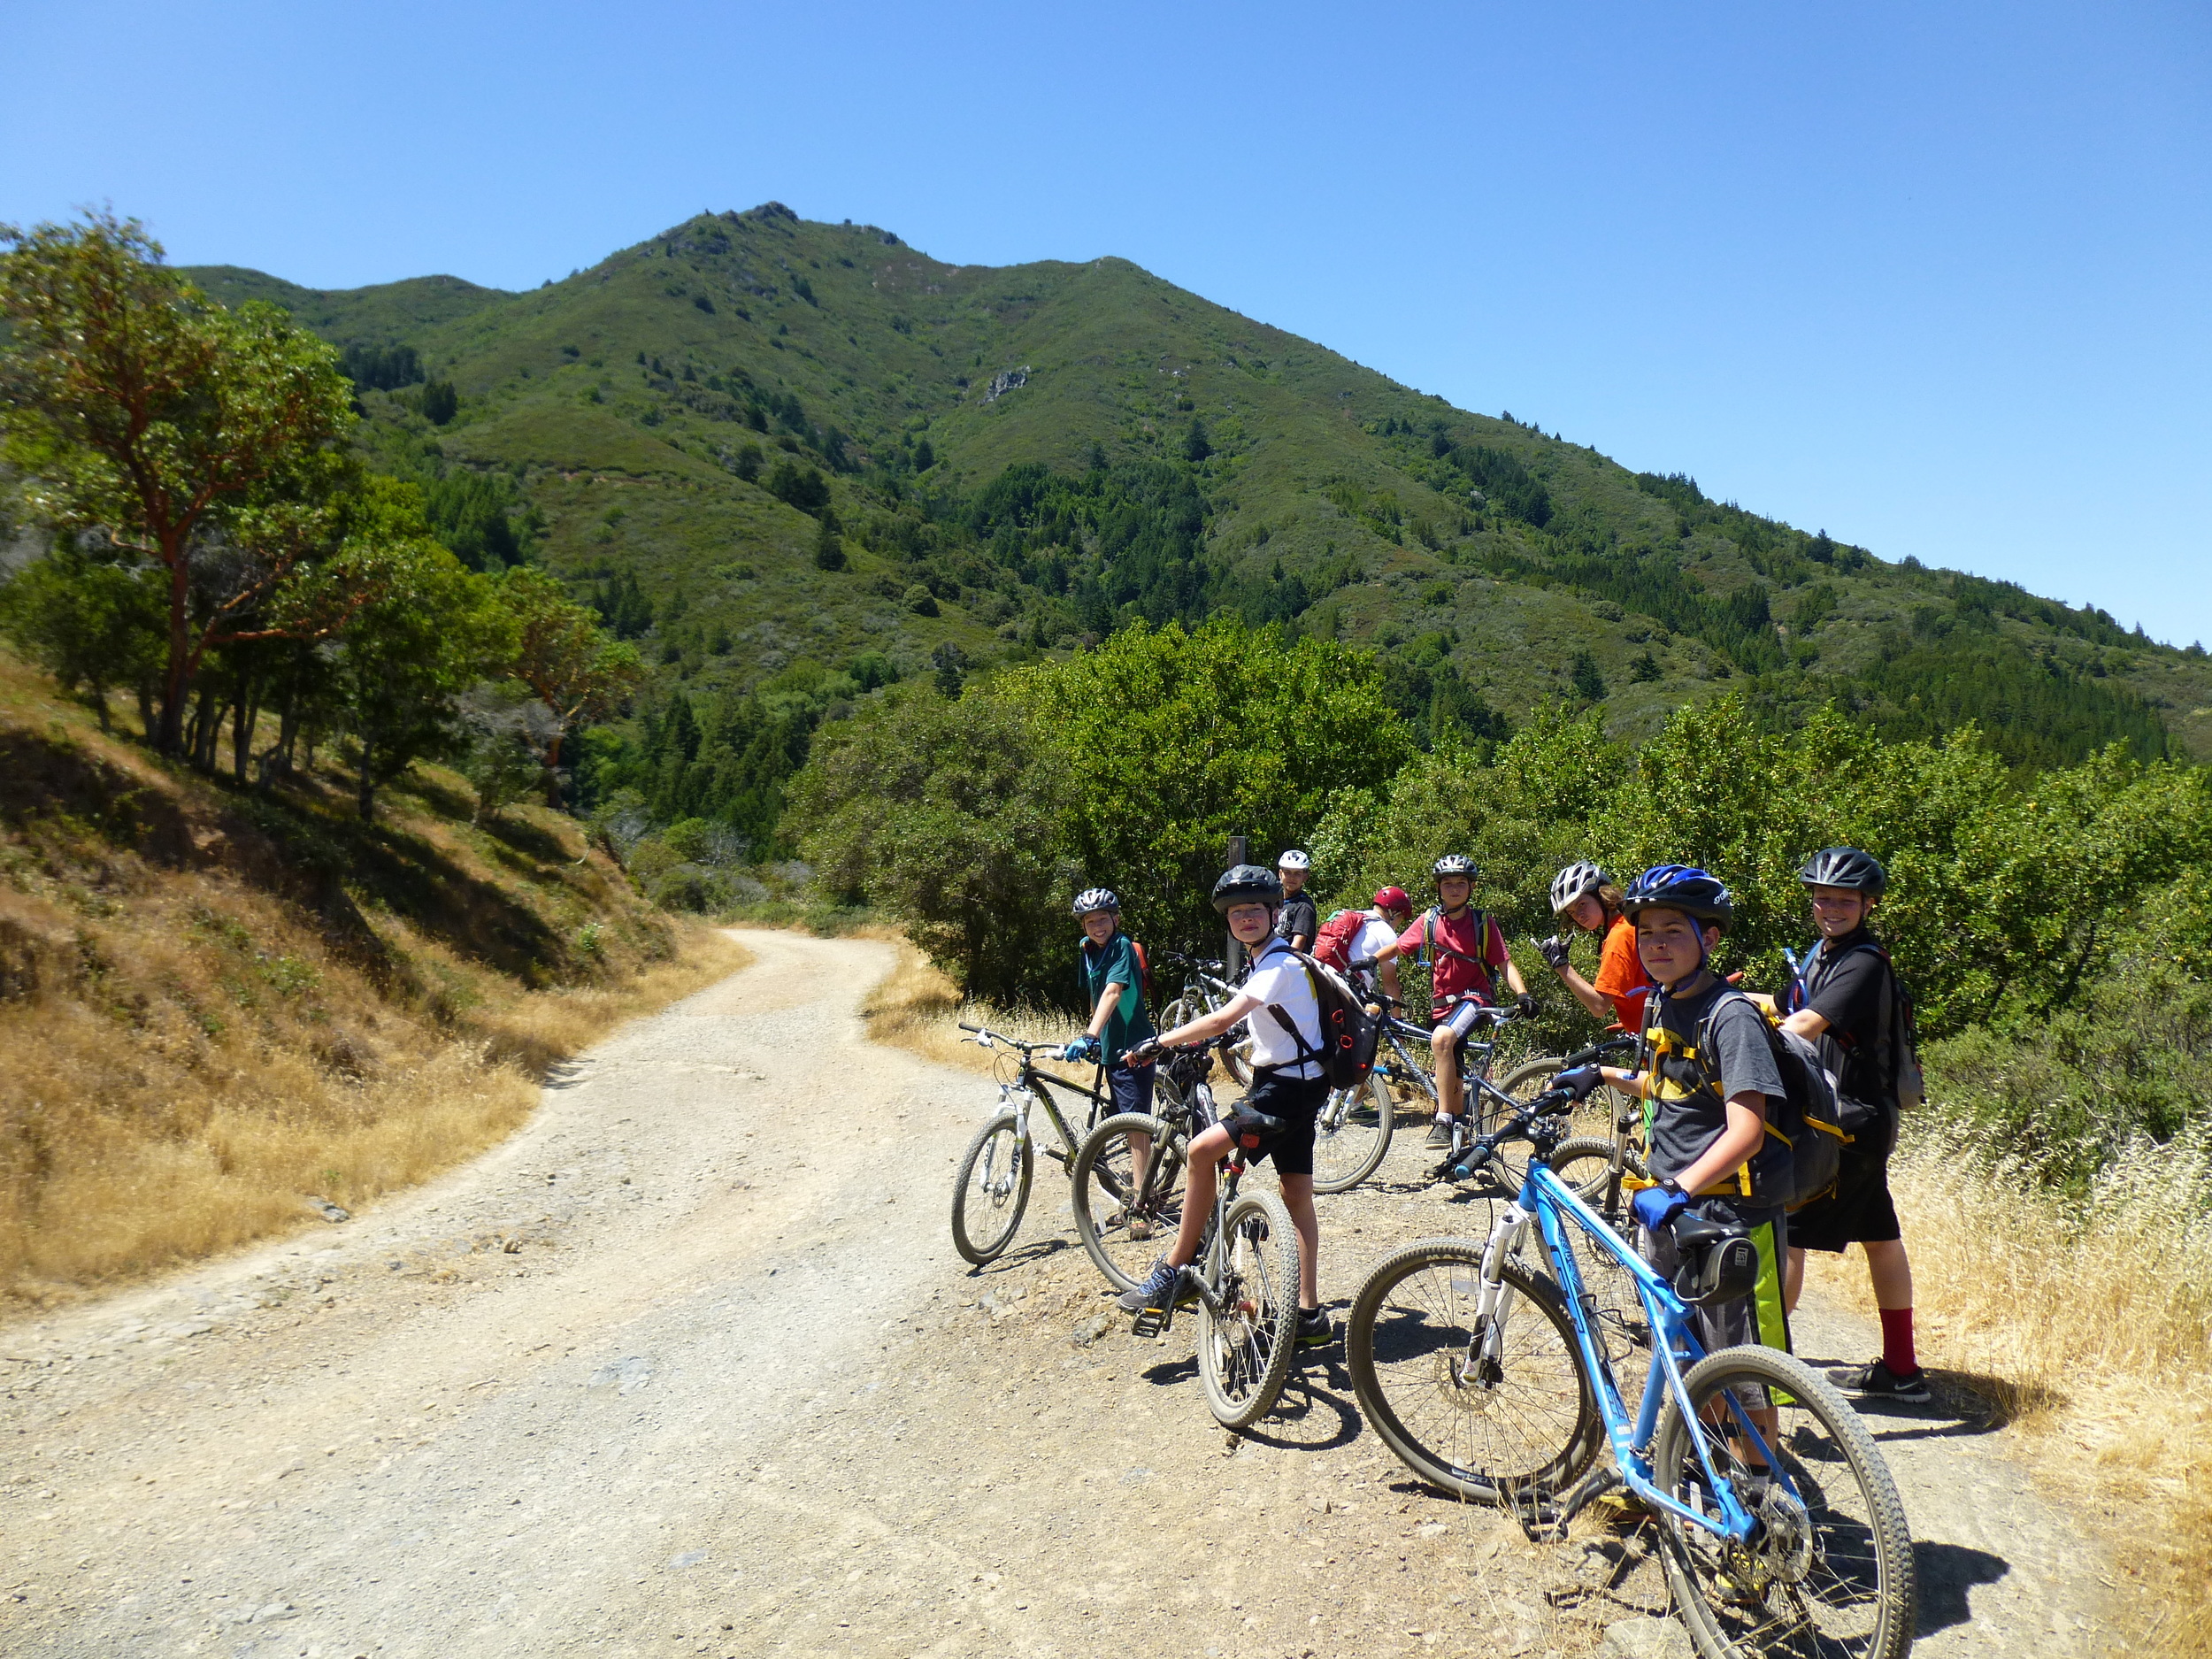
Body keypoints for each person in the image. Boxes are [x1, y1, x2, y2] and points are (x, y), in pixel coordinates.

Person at [1578, 864, 1793, 1417]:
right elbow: (1676, 1087)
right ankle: (1697, 1466)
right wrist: (1603, 1076)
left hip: (1729, 1211)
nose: (1655, 945)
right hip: (1672, 1206)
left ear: (1710, 937)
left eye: (1673, 930)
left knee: (1744, 1371)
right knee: (1686, 1352)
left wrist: (1679, 1187)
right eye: (1646, 932)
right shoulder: (1660, 1001)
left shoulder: (1730, 1015)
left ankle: (1761, 1491)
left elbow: (1747, 1129)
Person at [1116, 864, 1332, 1349]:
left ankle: (1174, 1270)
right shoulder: (1270, 964)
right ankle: (1309, 1314)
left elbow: (1226, 1017)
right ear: (1228, 921)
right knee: (1296, 1193)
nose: (1246, 918)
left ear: (1277, 913)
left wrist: (1159, 1041)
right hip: (1300, 1084)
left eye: (1256, 909)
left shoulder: (1279, 964)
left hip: (1284, 1091)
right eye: (1237, 913)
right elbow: (1263, 1022)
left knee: (1199, 1152)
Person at [1778, 848, 1928, 1402]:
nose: (1831, 907)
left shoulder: (1863, 961)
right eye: (1822, 897)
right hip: (1861, 1121)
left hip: (1848, 1125)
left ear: (1868, 904)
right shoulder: (1826, 953)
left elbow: (1804, 1025)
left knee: (1786, 1234)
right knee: (1881, 1237)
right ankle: (1902, 1370)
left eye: (1844, 899)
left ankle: (1769, 1373)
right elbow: (1785, 1005)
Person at [1397, 854, 1533, 1147]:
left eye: (1461, 883)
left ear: (1471, 887)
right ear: (1439, 888)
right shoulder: (1429, 921)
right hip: (1442, 1007)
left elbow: (1504, 963)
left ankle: (1443, 1121)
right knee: (1452, 1072)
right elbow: (1397, 948)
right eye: (1448, 883)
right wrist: (1367, 960)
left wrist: (1522, 994)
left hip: (1475, 1000)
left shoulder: (1483, 922)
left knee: (1442, 1040)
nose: (1455, 889)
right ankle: (1459, 1131)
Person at [1063, 887, 1156, 1120]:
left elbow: (1112, 992)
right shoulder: (1088, 949)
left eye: (1103, 918)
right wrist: (1097, 1036)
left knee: (1135, 1125)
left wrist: (1089, 1036)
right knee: (1117, 1116)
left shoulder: (1121, 945)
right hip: (1109, 1046)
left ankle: (1144, 1157)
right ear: (1083, 926)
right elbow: (1095, 996)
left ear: (1116, 918)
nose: (1097, 926)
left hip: (1131, 1046)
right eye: (1090, 921)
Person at [1538, 860, 1651, 1031]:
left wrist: (1561, 965)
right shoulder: (1628, 924)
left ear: (1601, 895)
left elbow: (1599, 1007)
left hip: (1661, 1044)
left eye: (1582, 904)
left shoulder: (1618, 937)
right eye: (1572, 912)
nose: (1579, 915)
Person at [1344, 885, 1411, 1003]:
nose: (1400, 923)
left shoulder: (1355, 917)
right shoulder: (1386, 931)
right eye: (1402, 918)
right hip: (1350, 994)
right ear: (1394, 913)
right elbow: (1390, 984)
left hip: (1324, 980)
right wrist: (1397, 1019)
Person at [1273, 850, 1317, 952]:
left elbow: (1297, 947)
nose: (1292, 878)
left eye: (1297, 873)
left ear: (1305, 877)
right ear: (1280, 874)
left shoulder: (1304, 907)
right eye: (1287, 872)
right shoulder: (1273, 902)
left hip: (1289, 963)